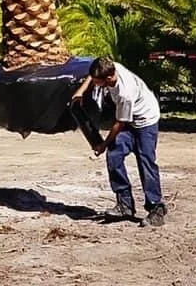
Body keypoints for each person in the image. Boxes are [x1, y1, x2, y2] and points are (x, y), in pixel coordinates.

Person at [71, 56, 167, 228]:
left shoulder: (125, 93)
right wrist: (81, 91)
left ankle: (156, 208)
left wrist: (102, 145)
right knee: (114, 156)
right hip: (130, 119)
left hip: (145, 121)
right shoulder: (110, 67)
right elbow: (93, 75)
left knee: (146, 161)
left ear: (108, 78)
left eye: (98, 82)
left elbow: (119, 124)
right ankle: (125, 205)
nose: (95, 84)